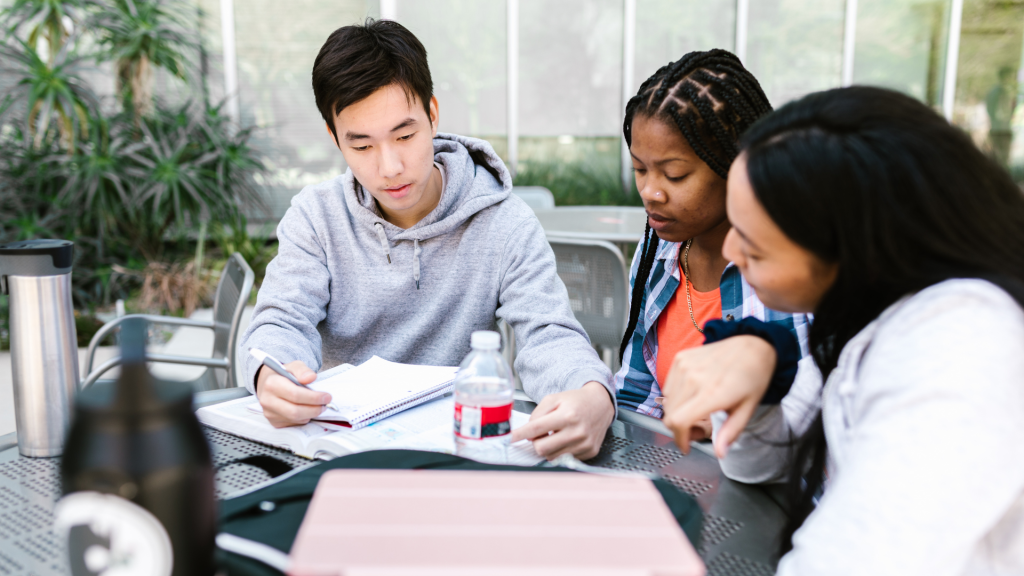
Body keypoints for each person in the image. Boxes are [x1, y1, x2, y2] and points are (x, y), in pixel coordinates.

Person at [662, 86, 1024, 575]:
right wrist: (762, 371)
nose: (731, 253)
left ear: (857, 251)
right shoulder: (866, 316)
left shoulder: (961, 346)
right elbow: (756, 465)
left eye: (756, 245)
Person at [241, 19, 615, 460]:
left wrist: (594, 396)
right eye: (362, 146)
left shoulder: (503, 222)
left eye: (405, 135)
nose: (390, 166)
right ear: (334, 138)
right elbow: (280, 323)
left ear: (433, 114)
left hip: (455, 450)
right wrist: (272, 374)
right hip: (341, 451)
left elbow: (549, 334)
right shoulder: (316, 217)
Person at [615, 49, 810, 431]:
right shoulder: (658, 251)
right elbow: (636, 395)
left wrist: (727, 421)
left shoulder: (796, 266)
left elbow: (819, 409)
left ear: (736, 165)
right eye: (640, 169)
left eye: (674, 175)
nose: (650, 192)